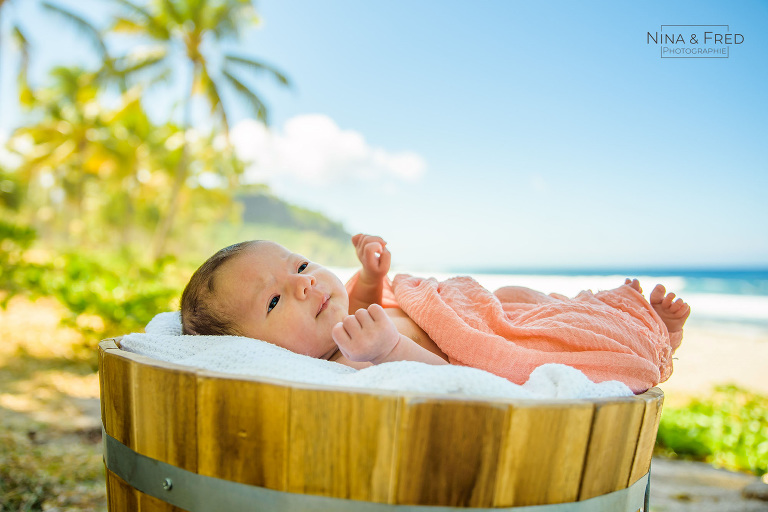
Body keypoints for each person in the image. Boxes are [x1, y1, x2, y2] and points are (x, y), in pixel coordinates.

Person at [181, 234, 691, 376]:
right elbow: (450, 373)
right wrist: (391, 349)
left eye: (300, 266)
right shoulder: (343, 365)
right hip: (469, 347)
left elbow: (354, 307)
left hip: (471, 311)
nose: (304, 286)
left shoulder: (335, 324)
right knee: (550, 340)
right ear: (252, 349)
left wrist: (374, 278)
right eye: (272, 300)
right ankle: (650, 337)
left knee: (528, 305)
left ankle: (630, 319)